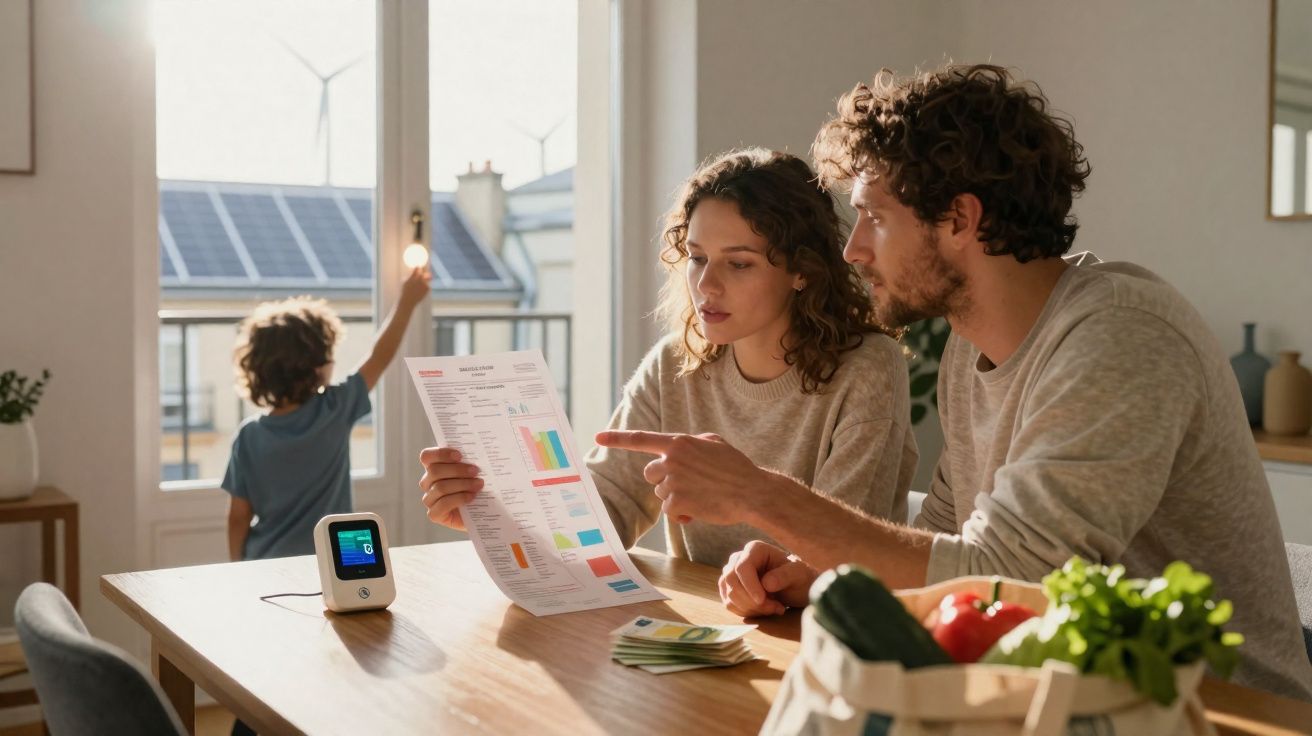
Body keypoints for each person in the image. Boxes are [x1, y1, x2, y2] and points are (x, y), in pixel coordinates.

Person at [596, 65, 1312, 701]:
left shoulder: (1119, 335)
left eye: (875, 216)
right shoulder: (973, 356)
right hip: (1059, 696)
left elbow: (1013, 577)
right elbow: (945, 544)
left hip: (1215, 710)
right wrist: (815, 576)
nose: (852, 248)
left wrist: (758, 495)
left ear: (961, 220)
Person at [418, 148, 917, 566]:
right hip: (704, 639)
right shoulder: (674, 366)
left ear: (802, 271)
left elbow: (848, 556)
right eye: (697, 258)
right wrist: (492, 512)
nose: (706, 285)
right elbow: (607, 513)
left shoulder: (868, 368)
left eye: (738, 264)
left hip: (816, 644)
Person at [224, 266, 431, 562]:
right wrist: (407, 301)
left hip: (267, 560)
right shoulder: (335, 409)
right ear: (317, 367)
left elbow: (238, 517)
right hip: (336, 557)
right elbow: (380, 355)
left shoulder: (249, 436)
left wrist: (237, 568)